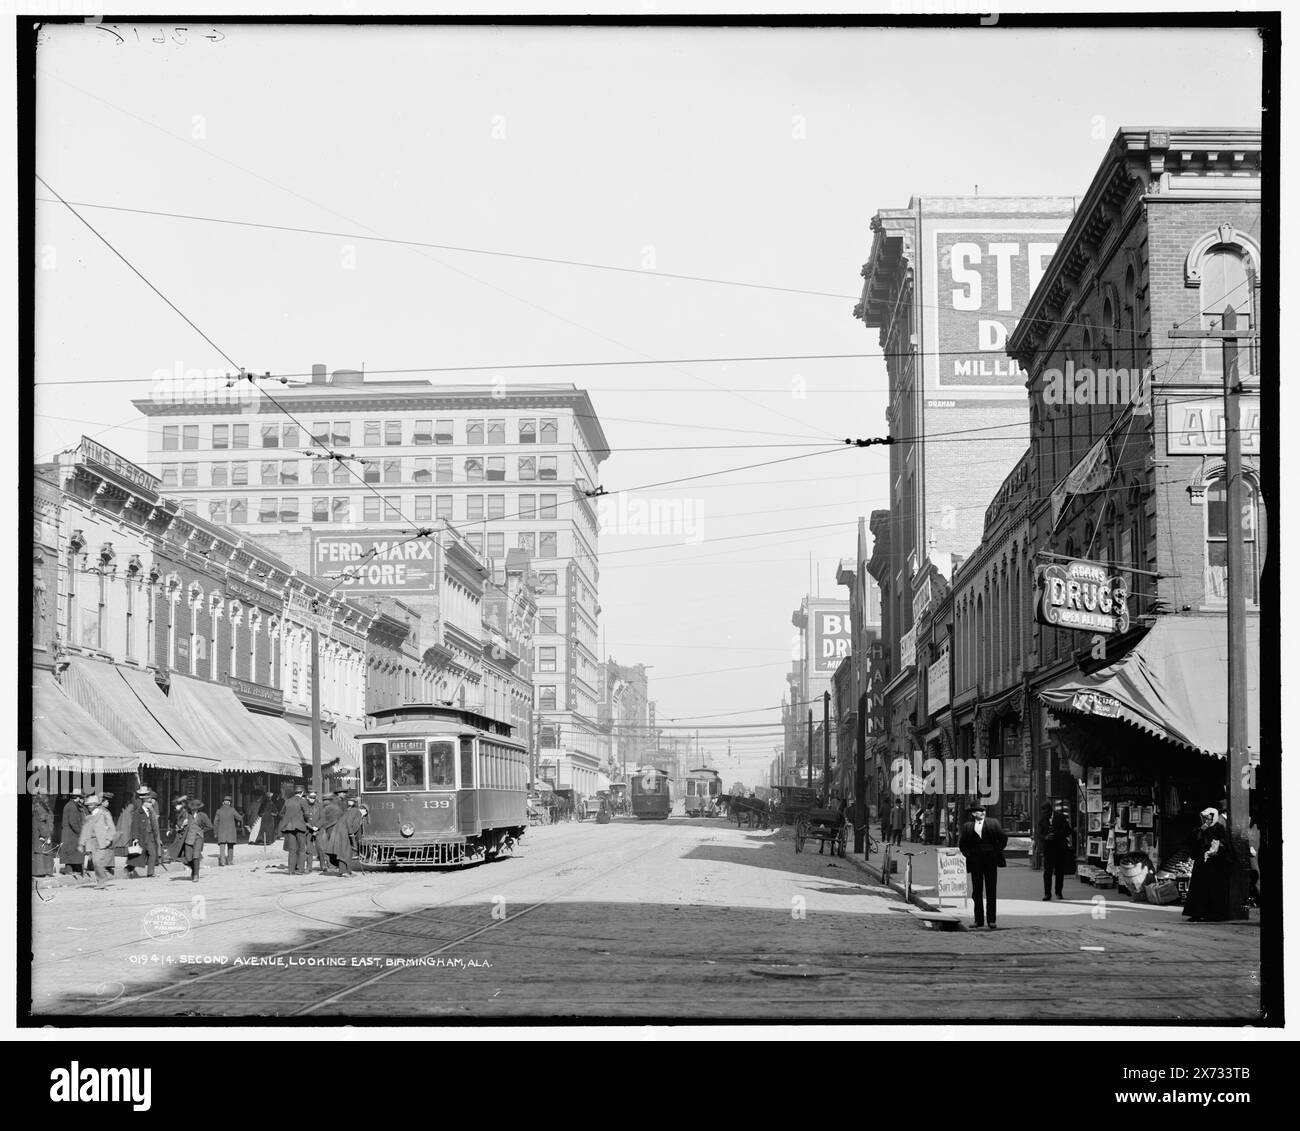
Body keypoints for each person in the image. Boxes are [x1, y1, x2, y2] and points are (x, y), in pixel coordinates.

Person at [959, 802, 1008, 929]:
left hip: (990, 860)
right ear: (974, 813)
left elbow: (1003, 837)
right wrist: (969, 854)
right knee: (977, 891)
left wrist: (996, 851)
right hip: (975, 862)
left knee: (991, 890)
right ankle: (978, 920)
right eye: (980, 811)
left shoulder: (993, 823)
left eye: (984, 810)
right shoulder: (968, 826)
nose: (983, 812)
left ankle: (992, 920)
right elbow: (963, 844)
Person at [1183, 807, 1235, 922]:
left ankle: (1214, 914)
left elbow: (1225, 845)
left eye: (1209, 818)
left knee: (1214, 889)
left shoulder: (1219, 829)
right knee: (1199, 889)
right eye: (1205, 818)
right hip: (1202, 863)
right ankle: (1197, 913)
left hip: (1215, 864)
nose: (1207, 821)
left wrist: (1217, 846)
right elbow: (1193, 843)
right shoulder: (1199, 829)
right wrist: (1200, 832)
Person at [117, 786, 162, 879]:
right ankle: (128, 868)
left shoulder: (151, 811)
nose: (150, 803)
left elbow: (154, 825)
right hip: (141, 837)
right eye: (148, 802)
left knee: (152, 854)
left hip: (150, 836)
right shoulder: (138, 812)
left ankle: (150, 873)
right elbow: (134, 827)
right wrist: (135, 839)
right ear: (144, 802)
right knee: (137, 855)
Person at [78, 793, 118, 889]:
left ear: (96, 805)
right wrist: (81, 843)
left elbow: (112, 828)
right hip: (92, 842)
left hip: (102, 842)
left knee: (97, 862)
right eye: (88, 805)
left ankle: (102, 881)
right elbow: (85, 830)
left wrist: (108, 839)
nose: (89, 807)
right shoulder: (88, 817)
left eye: (91, 805)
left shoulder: (104, 814)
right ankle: (100, 881)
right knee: (95, 864)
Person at [1038, 800, 1073, 901]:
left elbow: (1068, 830)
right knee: (1047, 872)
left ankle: (1058, 892)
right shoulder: (1042, 819)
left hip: (1060, 848)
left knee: (1059, 871)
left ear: (1050, 810)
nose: (1045, 815)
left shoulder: (1060, 817)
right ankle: (1047, 894)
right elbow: (1039, 834)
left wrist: (1056, 834)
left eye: (1046, 812)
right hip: (1048, 849)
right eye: (1043, 813)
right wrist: (1045, 837)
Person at [179, 799, 215, 882]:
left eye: (195, 808)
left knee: (196, 856)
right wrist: (183, 825)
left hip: (198, 838)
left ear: (198, 808)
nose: (193, 810)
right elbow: (179, 825)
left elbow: (210, 826)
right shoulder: (186, 815)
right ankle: (194, 870)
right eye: (192, 808)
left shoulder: (203, 815)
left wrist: (202, 831)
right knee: (188, 858)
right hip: (188, 838)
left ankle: (196, 875)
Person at [280, 785, 312, 875]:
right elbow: (306, 814)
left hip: (289, 827)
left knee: (292, 849)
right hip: (300, 827)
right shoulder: (303, 801)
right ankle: (300, 869)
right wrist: (306, 820)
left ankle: (291, 870)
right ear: (302, 792)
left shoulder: (288, 801)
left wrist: (288, 819)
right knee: (302, 849)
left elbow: (281, 813)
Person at [317, 791, 345, 876]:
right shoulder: (335, 807)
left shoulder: (322, 807)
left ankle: (325, 864)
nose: (325, 801)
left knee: (322, 847)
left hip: (324, 828)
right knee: (329, 847)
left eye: (326, 800)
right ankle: (329, 864)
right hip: (331, 828)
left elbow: (319, 819)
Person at [59, 790, 86, 877]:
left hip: (70, 832)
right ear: (77, 797)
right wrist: (80, 832)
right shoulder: (72, 806)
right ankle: (69, 870)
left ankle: (71, 869)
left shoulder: (71, 805)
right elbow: (73, 822)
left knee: (71, 852)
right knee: (71, 851)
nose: (81, 799)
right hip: (71, 833)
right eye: (80, 797)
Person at [32, 786, 55, 878]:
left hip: (40, 833)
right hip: (41, 834)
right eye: (46, 795)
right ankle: (41, 872)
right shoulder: (40, 807)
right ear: (40, 796)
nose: (47, 798)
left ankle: (44, 872)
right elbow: (42, 823)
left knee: (42, 852)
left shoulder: (40, 806)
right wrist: (46, 835)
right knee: (42, 852)